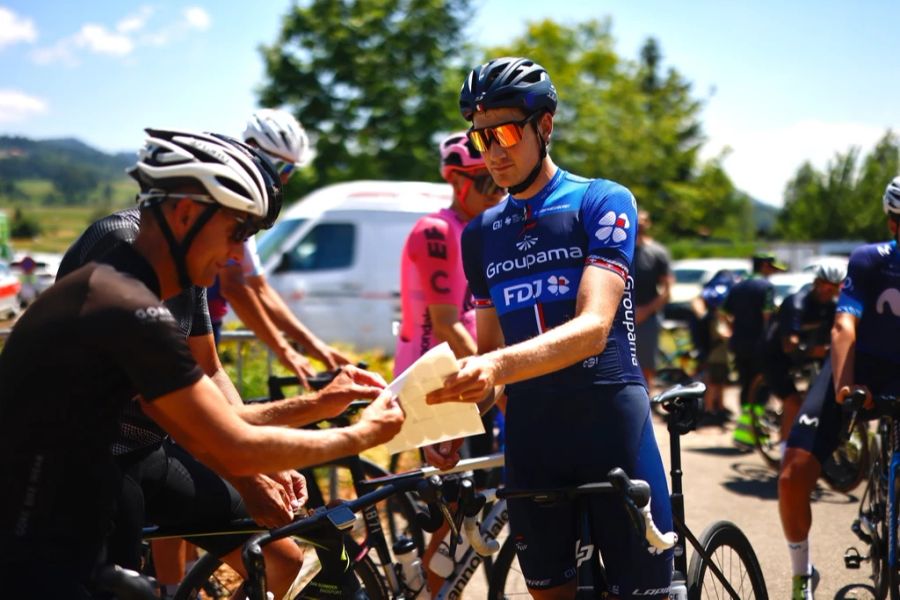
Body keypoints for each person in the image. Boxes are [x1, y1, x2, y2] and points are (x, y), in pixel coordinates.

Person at [0, 129, 404, 598]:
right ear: (187, 213)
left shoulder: (152, 277)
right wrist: (362, 434)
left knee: (278, 554)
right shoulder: (122, 295)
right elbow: (225, 439)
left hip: (102, 472)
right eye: (237, 233)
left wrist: (320, 404)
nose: (238, 256)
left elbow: (215, 408)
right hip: (40, 520)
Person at [425, 56, 673, 599]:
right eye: (481, 136)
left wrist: (492, 364)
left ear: (546, 124)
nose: (493, 150)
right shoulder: (482, 234)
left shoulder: (601, 200)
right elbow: (489, 358)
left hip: (609, 420)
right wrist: (452, 420)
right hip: (534, 436)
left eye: (507, 132)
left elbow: (592, 328)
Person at [779, 177, 900, 600]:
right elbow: (845, 323)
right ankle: (801, 575)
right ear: (892, 225)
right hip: (857, 367)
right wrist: (845, 389)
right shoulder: (871, 261)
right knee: (793, 475)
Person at [395, 131, 504, 593]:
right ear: (457, 182)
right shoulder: (436, 231)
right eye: (486, 184)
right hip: (433, 377)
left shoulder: (478, 231)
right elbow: (445, 323)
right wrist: (501, 375)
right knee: (453, 513)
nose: (497, 194)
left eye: (499, 183)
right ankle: (423, 592)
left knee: (471, 504)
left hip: (462, 374)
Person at [210, 108, 351, 385]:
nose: (284, 178)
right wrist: (284, 351)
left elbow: (260, 289)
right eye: (282, 167)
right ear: (251, 150)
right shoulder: (228, 201)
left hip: (207, 323)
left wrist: (314, 347)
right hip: (185, 323)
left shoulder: (252, 206)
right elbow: (235, 286)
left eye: (292, 170)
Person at [761, 262, 845, 448]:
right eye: (824, 285)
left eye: (833, 287)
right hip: (777, 355)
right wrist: (816, 350)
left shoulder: (833, 306)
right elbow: (789, 345)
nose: (827, 290)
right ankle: (784, 453)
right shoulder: (796, 303)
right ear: (816, 282)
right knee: (793, 402)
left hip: (807, 355)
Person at [719, 252, 786, 449]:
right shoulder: (766, 287)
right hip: (760, 345)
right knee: (761, 388)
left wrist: (732, 329)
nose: (773, 273)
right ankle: (757, 434)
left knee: (745, 385)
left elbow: (723, 312)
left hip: (739, 344)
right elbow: (767, 316)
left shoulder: (738, 285)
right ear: (765, 266)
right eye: (772, 268)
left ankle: (744, 433)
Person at [690, 269, 740, 424]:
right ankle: (710, 409)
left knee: (720, 380)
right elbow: (719, 332)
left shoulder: (710, 303)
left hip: (716, 350)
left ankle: (718, 407)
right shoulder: (714, 315)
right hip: (714, 350)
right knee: (713, 380)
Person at [633, 210, 673, 388]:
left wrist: (645, 311)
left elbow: (667, 291)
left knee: (647, 365)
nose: (640, 224)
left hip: (647, 318)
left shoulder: (658, 252)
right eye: (637, 220)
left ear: (648, 224)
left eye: (644, 221)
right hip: (619, 316)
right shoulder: (620, 249)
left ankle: (646, 404)